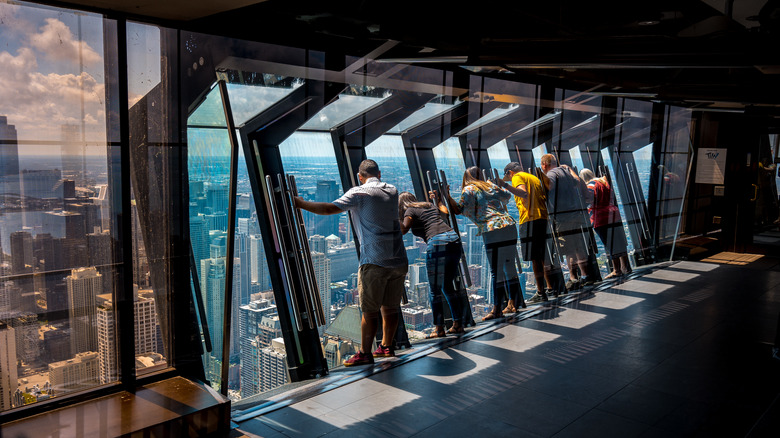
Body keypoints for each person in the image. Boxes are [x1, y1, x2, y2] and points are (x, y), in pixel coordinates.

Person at [294, 159, 408, 367]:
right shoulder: (392, 190)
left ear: (360, 176)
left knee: (369, 310)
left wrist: (301, 204)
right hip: (399, 258)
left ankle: (365, 353)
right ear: (379, 174)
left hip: (374, 259)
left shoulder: (359, 193)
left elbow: (330, 209)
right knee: (391, 307)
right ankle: (387, 346)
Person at [444, 166, 521, 320]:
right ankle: (513, 303)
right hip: (509, 226)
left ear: (467, 177)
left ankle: (497, 309)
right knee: (510, 266)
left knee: (496, 271)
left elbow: (458, 210)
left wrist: (447, 196)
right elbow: (506, 196)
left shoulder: (469, 189)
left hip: (492, 229)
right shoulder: (490, 185)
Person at [398, 191, 464, 337]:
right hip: (454, 240)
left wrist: (392, 216)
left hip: (438, 243)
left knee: (435, 290)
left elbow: (403, 229)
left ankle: (439, 329)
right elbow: (445, 213)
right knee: (447, 286)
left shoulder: (409, 210)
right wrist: (439, 201)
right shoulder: (428, 205)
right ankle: (458, 324)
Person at [499, 162, 553, 304]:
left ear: (510, 172)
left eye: (509, 178)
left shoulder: (517, 177)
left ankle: (541, 292)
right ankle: (551, 287)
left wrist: (505, 186)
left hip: (529, 219)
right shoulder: (533, 177)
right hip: (542, 217)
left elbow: (523, 193)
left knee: (535, 257)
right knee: (542, 255)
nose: (510, 181)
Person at [540, 154, 592, 290]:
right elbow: (577, 181)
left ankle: (573, 278)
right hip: (575, 214)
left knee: (569, 249)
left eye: (541, 165)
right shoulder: (566, 172)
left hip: (562, 218)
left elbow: (548, 188)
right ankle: (586, 276)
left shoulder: (551, 174)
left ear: (545, 164)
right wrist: (570, 170)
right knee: (579, 246)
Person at [579, 169, 632, 278]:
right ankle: (626, 267)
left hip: (600, 217)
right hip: (613, 213)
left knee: (610, 243)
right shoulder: (603, 182)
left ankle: (616, 270)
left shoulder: (591, 185)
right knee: (620, 241)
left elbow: (589, 199)